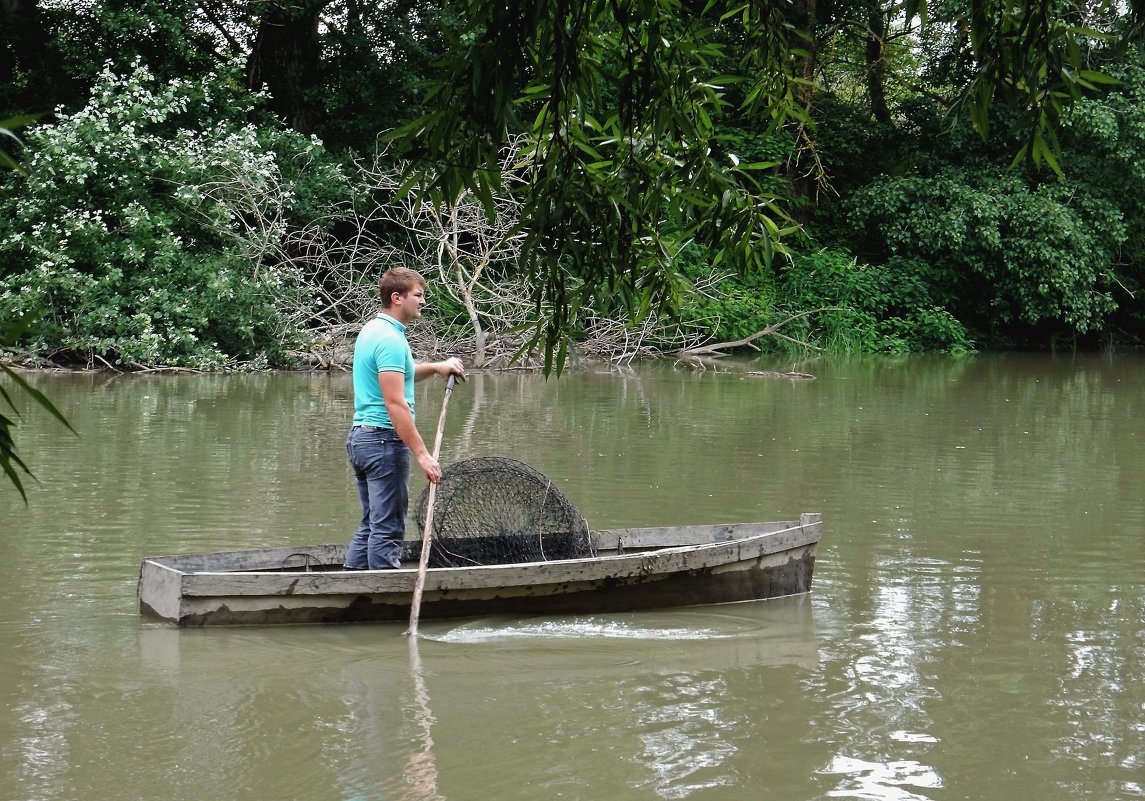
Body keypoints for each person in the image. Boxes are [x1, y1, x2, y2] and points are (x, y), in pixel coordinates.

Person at [344, 267, 465, 570]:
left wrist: (437, 366)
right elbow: (395, 403)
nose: (423, 301)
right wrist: (423, 455)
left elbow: (405, 373)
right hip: (383, 442)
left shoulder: (375, 330)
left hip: (362, 438)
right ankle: (383, 598)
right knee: (387, 528)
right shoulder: (390, 340)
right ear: (397, 298)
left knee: (373, 522)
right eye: (418, 295)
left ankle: (353, 587)